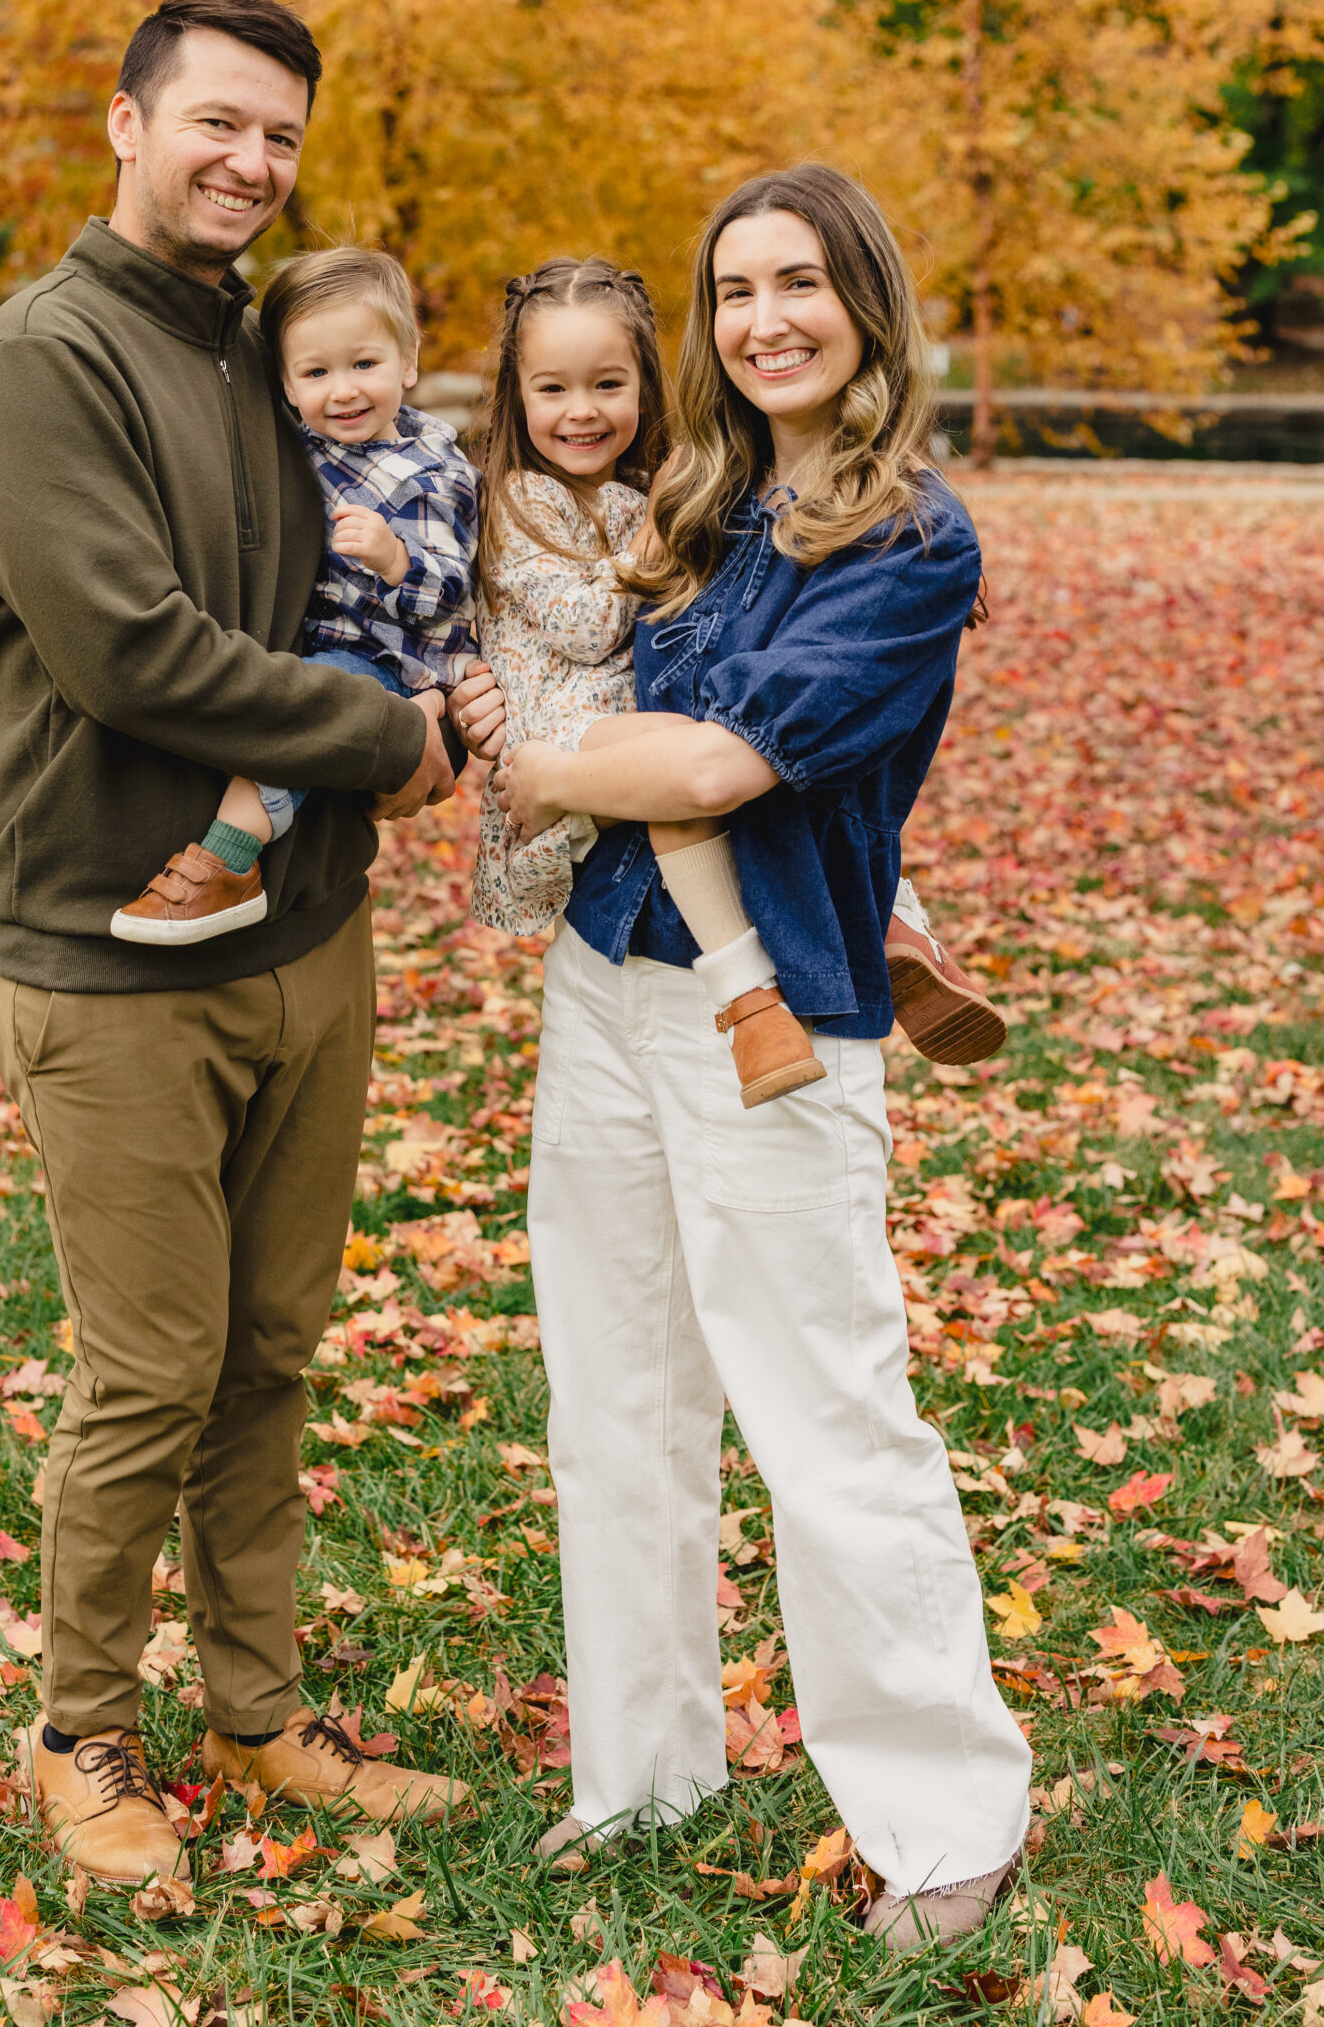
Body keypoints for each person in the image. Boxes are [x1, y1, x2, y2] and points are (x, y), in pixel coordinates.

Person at [0, 0, 468, 1888]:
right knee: (150, 1367)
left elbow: (379, 539)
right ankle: (82, 1732)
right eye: (216, 122)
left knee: (270, 1350)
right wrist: (387, 741)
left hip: (305, 938)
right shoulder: (44, 360)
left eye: (279, 138)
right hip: (115, 957)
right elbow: (126, 650)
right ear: (127, 121)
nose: (247, 162)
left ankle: (255, 1717)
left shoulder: (266, 351)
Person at [488, 167, 1033, 1949]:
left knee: (824, 1417)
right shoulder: (698, 504)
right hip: (607, 984)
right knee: (617, 1402)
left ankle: (946, 1822)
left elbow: (720, 770)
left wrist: (543, 757)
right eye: (731, 292)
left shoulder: (910, 540)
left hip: (775, 1022)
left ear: (863, 305)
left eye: (797, 283)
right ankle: (642, 1770)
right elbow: (629, 702)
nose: (761, 319)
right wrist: (597, 742)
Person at [466, 259, 1004, 1094]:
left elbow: (717, 765)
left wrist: (922, 548)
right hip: (601, 892)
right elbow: (572, 619)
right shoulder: (551, 500)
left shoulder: (682, 487)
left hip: (705, 860)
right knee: (677, 757)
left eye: (608, 384)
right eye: (737, 293)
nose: (582, 411)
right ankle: (884, 939)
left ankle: (800, 978)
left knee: (686, 763)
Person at [112, 245, 478, 946]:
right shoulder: (308, 444)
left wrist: (394, 558)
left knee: (304, 714)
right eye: (316, 373)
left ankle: (227, 865)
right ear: (286, 383)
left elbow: (453, 592)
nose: (342, 391)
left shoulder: (430, 472)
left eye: (364, 365)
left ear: (407, 362)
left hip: (391, 659)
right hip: (324, 641)